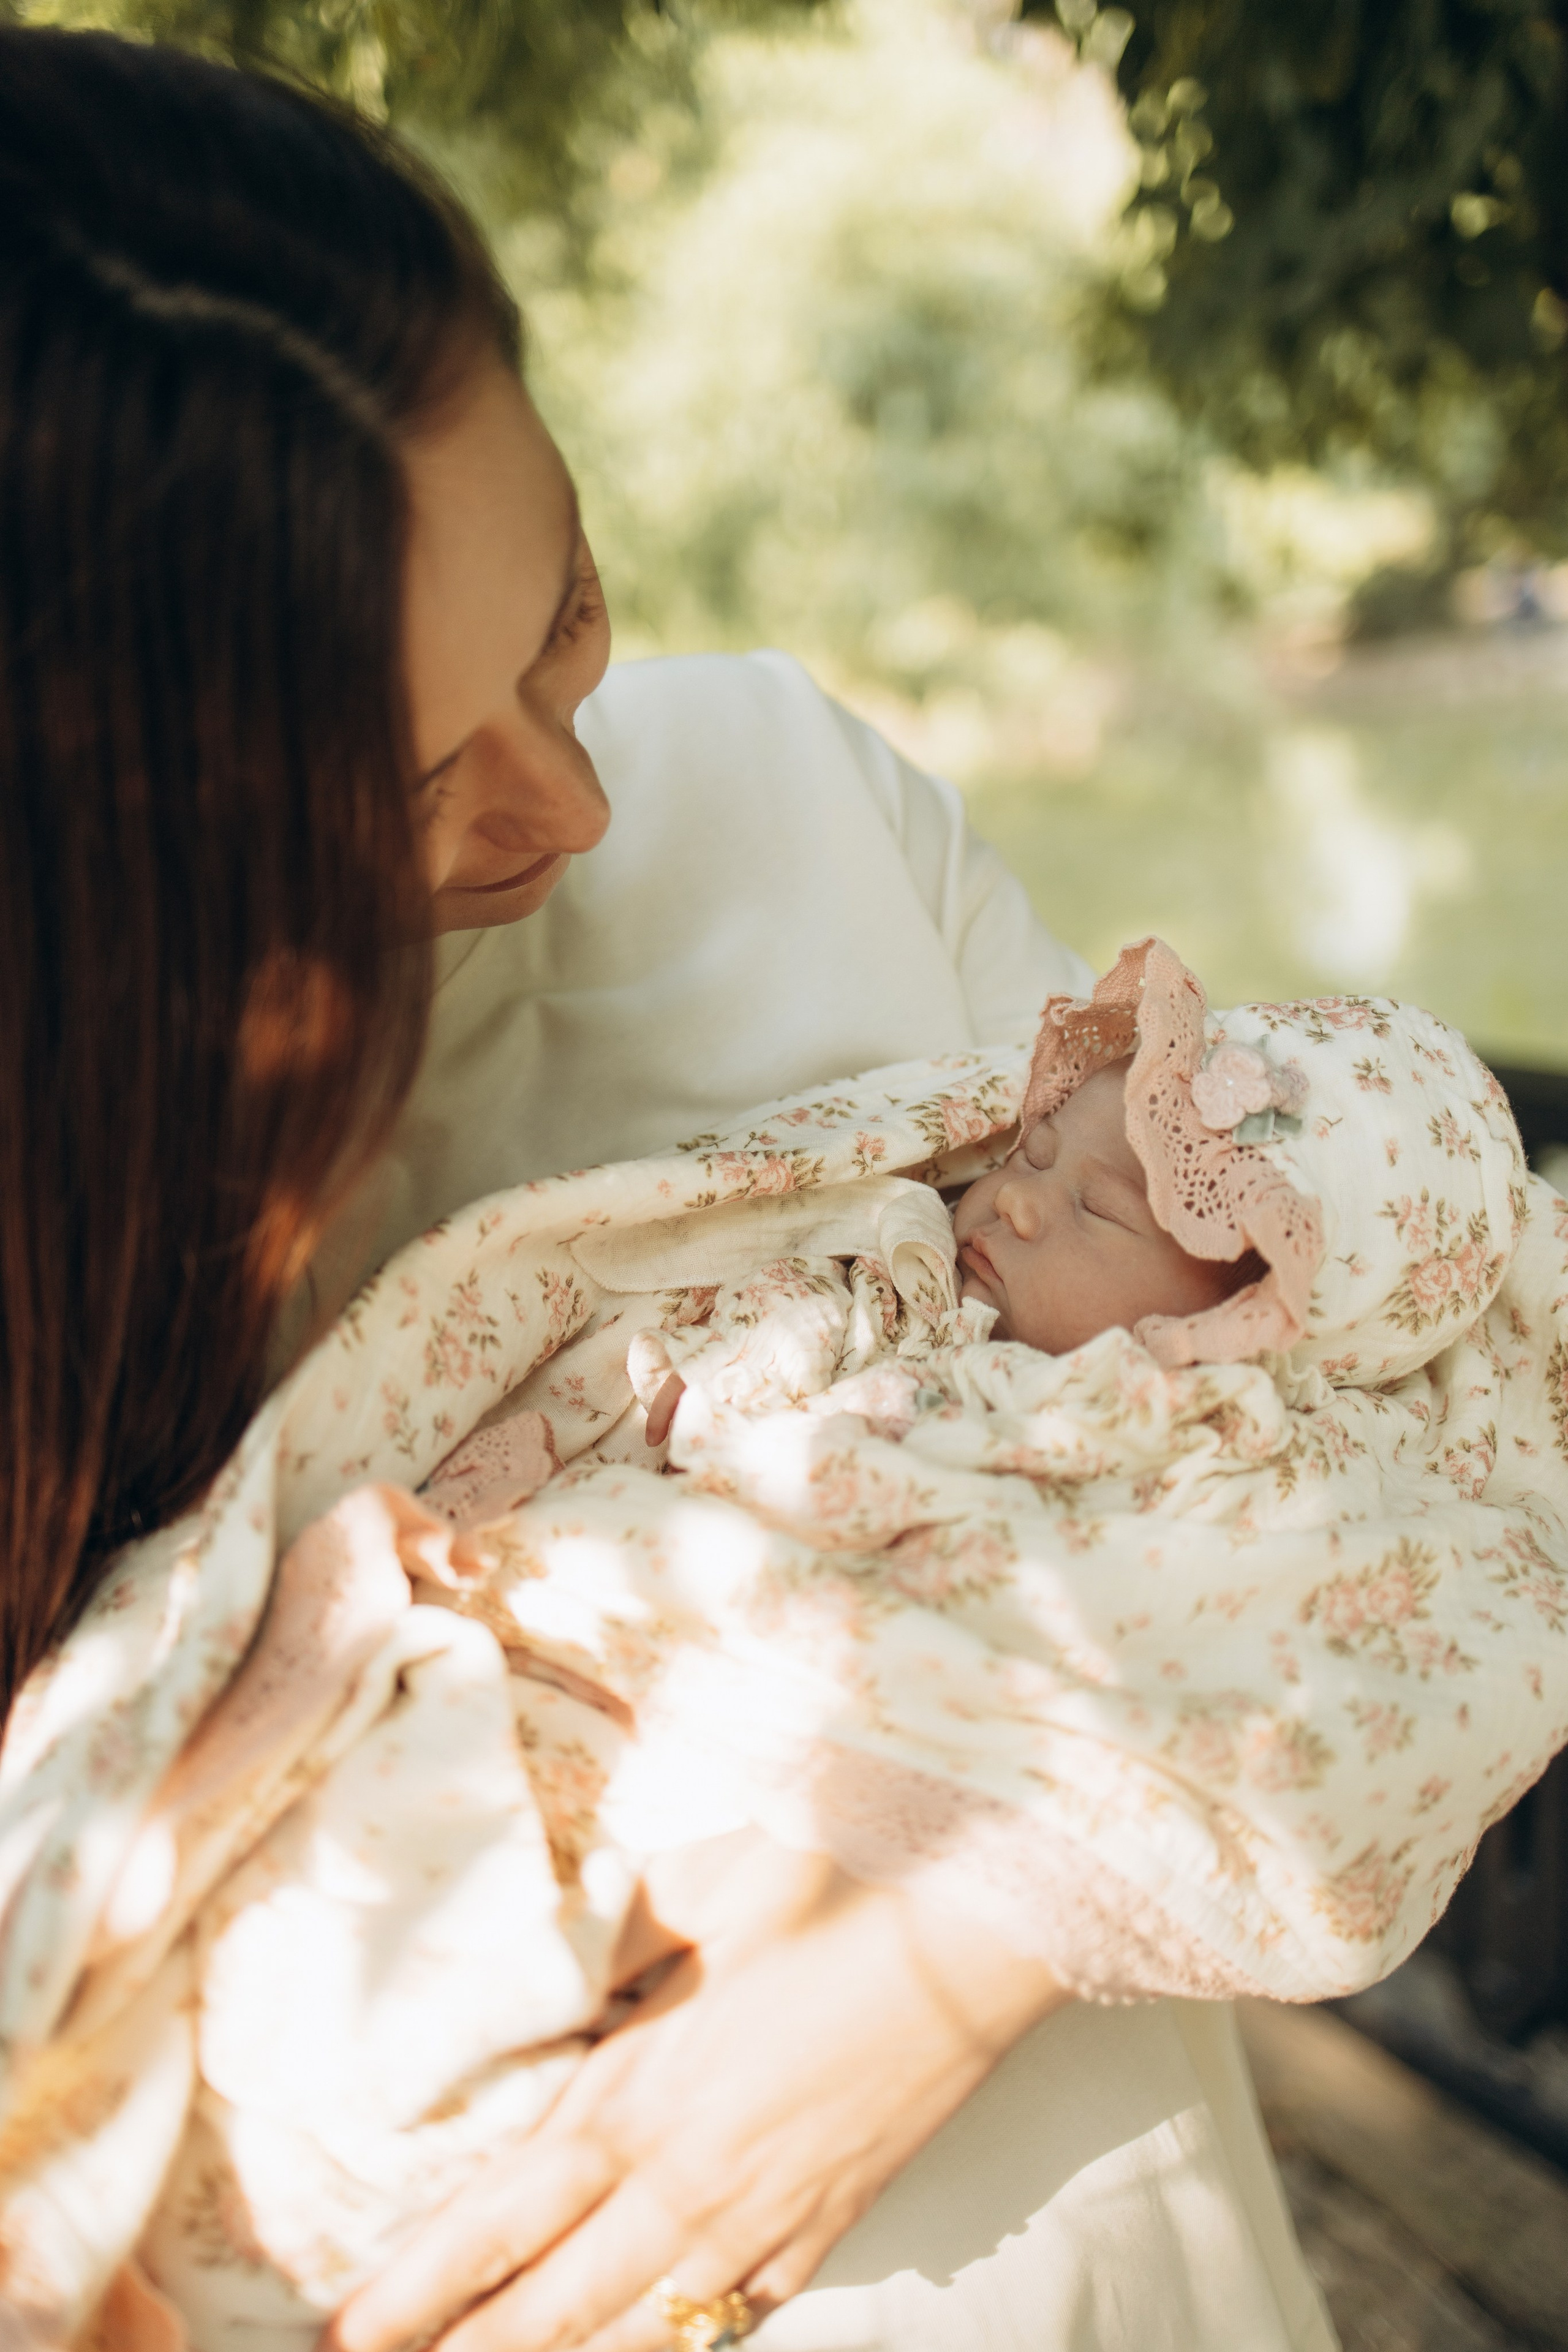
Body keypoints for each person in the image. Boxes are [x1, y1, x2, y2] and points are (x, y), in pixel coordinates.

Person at [0, 30, 1550, 2352]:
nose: (573, 808)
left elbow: (1438, 1419)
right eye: (408, 788)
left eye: (567, 621)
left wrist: (955, 1953)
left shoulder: (781, 807)